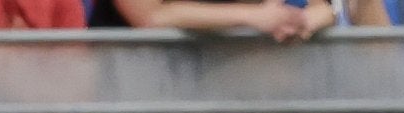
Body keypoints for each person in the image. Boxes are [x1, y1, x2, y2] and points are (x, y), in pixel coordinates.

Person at [88, 0, 331, 41]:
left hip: (242, 92)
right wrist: (253, 17)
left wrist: (300, 22)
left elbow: (323, 9)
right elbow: (150, 16)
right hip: (143, 90)